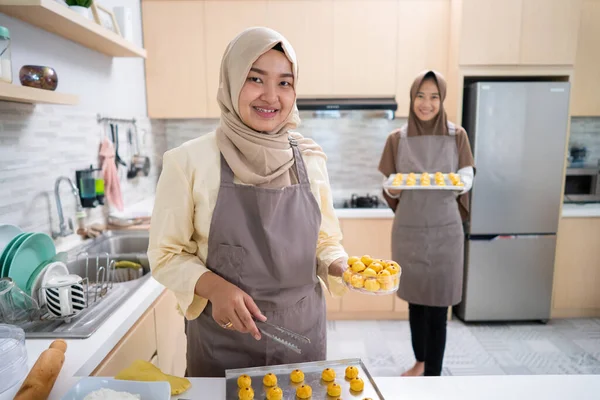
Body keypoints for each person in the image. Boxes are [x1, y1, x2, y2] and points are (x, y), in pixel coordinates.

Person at [147, 27, 348, 377]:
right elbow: (165, 255)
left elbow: (325, 240)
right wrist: (215, 287)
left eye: (285, 83)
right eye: (256, 79)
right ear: (231, 80)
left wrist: (339, 264)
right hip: (223, 342)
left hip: (300, 335)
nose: (271, 96)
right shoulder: (188, 161)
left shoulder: (311, 159)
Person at [378, 70, 475, 377]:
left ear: (442, 99)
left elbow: (468, 173)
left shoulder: (456, 135)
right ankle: (420, 361)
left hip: (446, 233)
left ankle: (433, 371)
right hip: (410, 231)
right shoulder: (397, 138)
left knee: (439, 304)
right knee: (416, 301)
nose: (426, 103)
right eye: (420, 96)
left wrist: (462, 182)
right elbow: (388, 183)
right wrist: (393, 187)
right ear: (412, 98)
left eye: (434, 96)